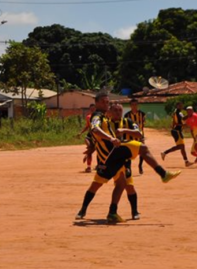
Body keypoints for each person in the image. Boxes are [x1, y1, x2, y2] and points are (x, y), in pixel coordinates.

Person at [75, 92, 181, 223]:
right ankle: (163, 174)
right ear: (96, 103)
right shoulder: (97, 116)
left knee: (121, 184)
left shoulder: (115, 119)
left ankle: (113, 213)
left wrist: (93, 147)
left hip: (111, 157)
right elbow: (95, 129)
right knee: (143, 148)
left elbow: (98, 137)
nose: (106, 104)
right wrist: (111, 138)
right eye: (103, 102)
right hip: (111, 153)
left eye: (107, 102)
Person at [110, 103, 143, 220]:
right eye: (115, 110)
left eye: (120, 110)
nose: (118, 112)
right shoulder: (105, 123)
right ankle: (111, 212)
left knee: (129, 186)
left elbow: (139, 133)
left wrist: (124, 130)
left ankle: (134, 211)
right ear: (110, 112)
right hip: (111, 159)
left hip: (125, 159)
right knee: (100, 184)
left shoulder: (128, 121)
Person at [161, 102, 193, 167]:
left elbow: (183, 119)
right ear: (177, 106)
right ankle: (164, 153)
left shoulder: (180, 113)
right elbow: (175, 123)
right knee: (181, 146)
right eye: (179, 105)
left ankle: (186, 162)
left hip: (178, 131)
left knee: (182, 147)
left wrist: (189, 115)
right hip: (176, 131)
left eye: (181, 105)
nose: (181, 106)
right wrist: (184, 125)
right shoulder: (176, 113)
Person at [124, 99, 147, 174]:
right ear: (130, 106)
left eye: (135, 104)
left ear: (138, 105)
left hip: (140, 135)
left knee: (142, 151)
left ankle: (140, 165)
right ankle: (128, 168)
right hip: (130, 136)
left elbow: (143, 124)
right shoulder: (127, 115)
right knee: (128, 152)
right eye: (132, 105)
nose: (134, 106)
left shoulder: (142, 114)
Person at [77, 104, 96, 172]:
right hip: (90, 135)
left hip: (97, 136)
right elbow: (87, 126)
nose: (92, 110)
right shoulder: (88, 117)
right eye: (91, 109)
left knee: (97, 150)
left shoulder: (99, 117)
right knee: (88, 145)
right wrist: (80, 132)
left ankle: (99, 165)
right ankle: (88, 167)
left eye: (93, 109)